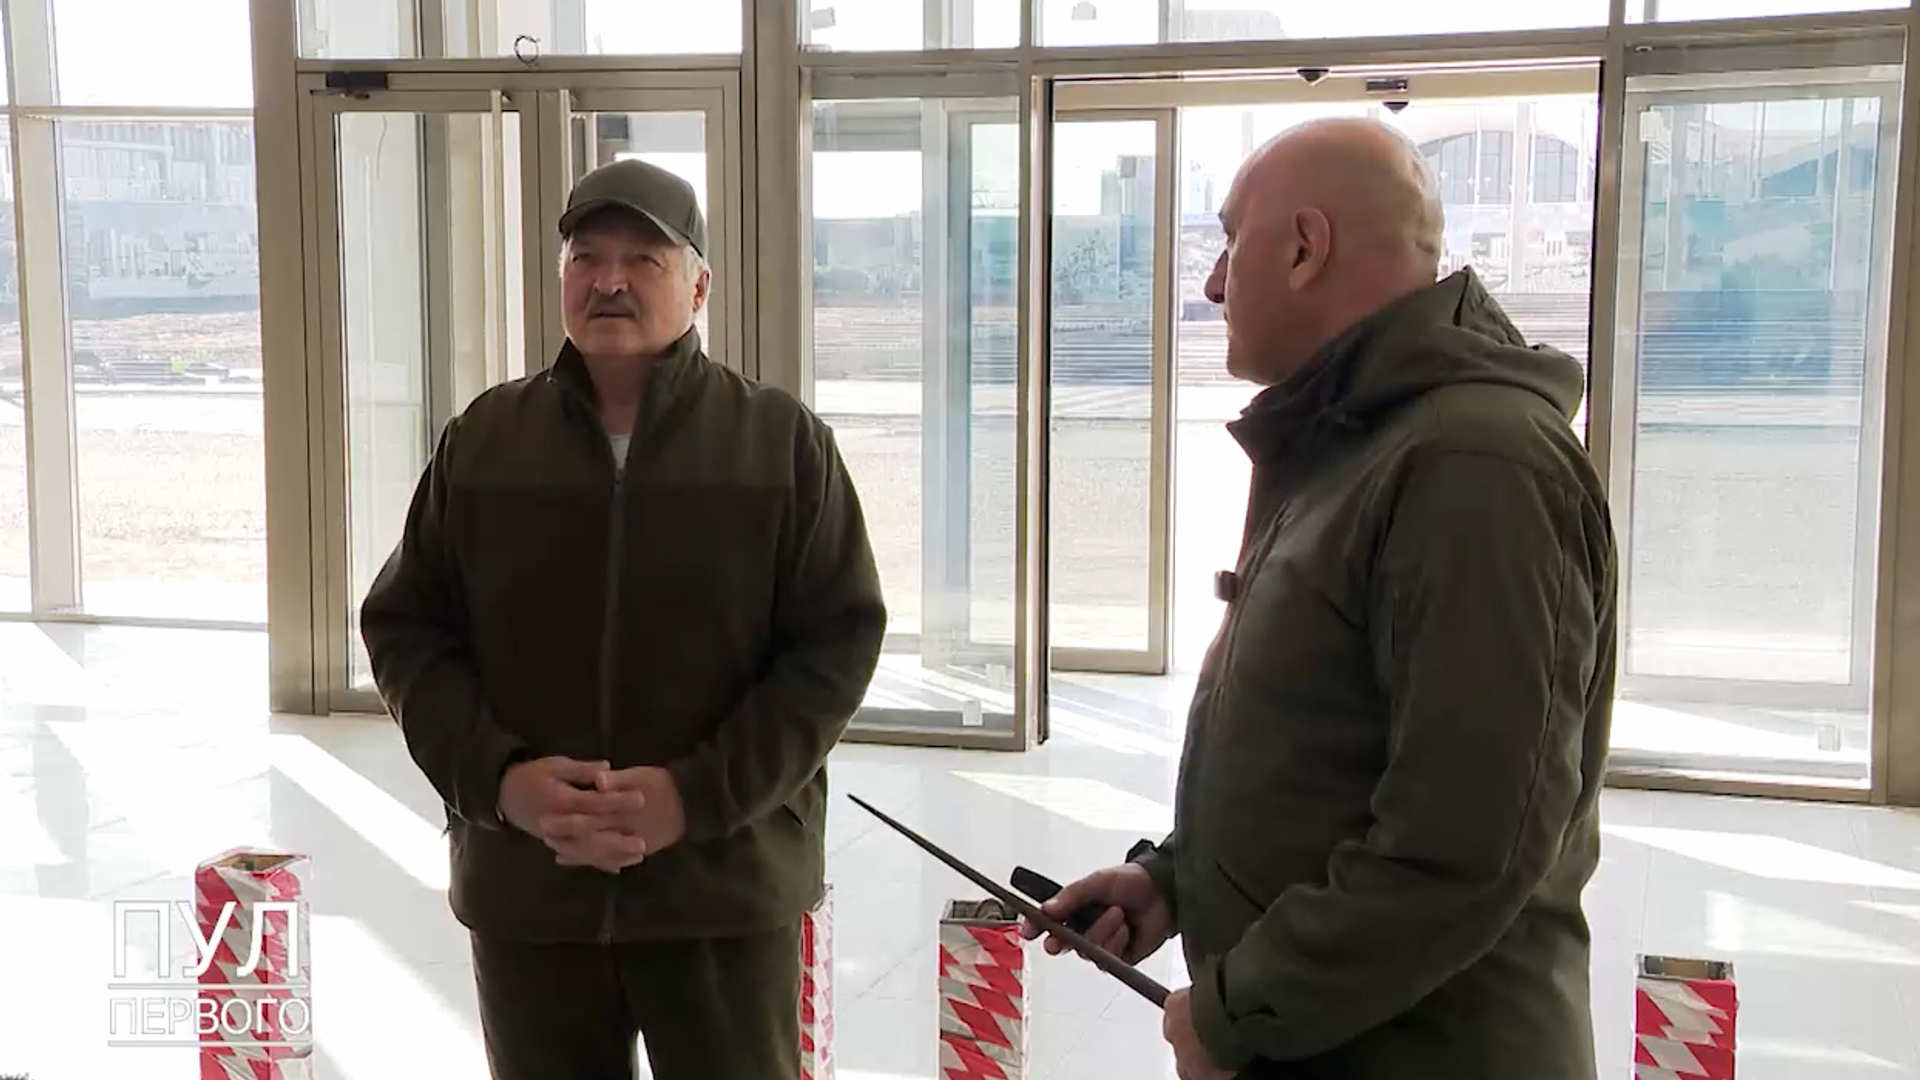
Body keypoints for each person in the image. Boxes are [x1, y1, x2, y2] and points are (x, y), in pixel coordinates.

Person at [1025, 117, 1617, 1079]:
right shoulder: (1356, 445)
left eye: (1229, 242)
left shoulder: (1474, 464)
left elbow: (1468, 844)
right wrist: (1173, 880)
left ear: (1305, 247)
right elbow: (1321, 744)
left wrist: (1244, 1008)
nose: (1213, 284)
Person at [360, 158, 886, 1080]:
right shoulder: (486, 442)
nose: (609, 280)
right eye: (586, 257)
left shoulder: (780, 445)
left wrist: (697, 796)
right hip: (533, 891)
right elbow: (408, 629)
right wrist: (501, 782)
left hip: (720, 892)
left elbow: (835, 646)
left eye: (644, 258)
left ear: (699, 285)